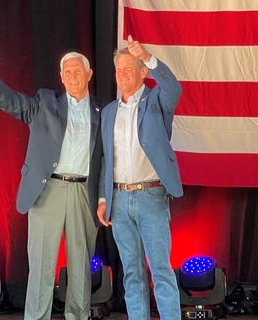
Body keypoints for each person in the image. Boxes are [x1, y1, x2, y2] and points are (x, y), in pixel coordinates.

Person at [0, 40, 102, 320]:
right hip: (48, 191)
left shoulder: (101, 112)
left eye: (76, 71)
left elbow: (106, 160)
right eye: (66, 72)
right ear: (61, 77)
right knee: (43, 266)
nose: (71, 76)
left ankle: (78, 316)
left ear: (89, 74)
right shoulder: (46, 103)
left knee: (81, 267)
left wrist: (105, 198)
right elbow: (14, 103)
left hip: (83, 193)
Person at [96, 35, 183, 320]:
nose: (121, 75)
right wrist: (102, 198)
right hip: (119, 201)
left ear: (142, 72)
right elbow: (107, 159)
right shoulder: (108, 112)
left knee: (160, 270)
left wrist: (148, 57)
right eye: (118, 70)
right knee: (132, 273)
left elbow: (173, 87)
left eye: (128, 69)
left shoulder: (156, 101)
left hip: (151, 196)